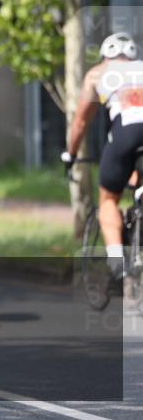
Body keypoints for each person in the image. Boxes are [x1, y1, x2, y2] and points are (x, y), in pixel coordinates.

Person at [64, 31, 142, 292]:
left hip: (126, 134)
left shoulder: (99, 72)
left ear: (105, 56)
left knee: (108, 199)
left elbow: (80, 122)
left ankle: (117, 262)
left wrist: (70, 154)